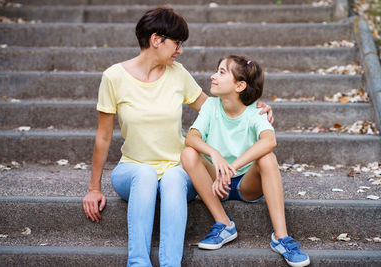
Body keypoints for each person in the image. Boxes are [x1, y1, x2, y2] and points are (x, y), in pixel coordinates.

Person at [82, 8, 273, 267]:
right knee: (145, 173)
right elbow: (103, 137)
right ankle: (138, 262)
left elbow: (217, 109)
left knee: (173, 175)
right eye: (177, 43)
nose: (180, 50)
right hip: (132, 169)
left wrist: (253, 108)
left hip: (177, 169)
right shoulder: (114, 77)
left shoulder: (178, 73)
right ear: (156, 40)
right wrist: (94, 189)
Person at [181, 55, 310, 267]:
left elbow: (269, 141)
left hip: (246, 184)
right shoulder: (210, 107)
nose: (213, 76)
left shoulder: (256, 111)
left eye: (222, 72)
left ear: (240, 85)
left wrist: (232, 167)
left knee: (267, 158)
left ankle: (281, 237)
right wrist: (215, 154)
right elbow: (191, 137)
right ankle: (224, 224)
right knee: (188, 153)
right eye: (217, 70)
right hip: (215, 181)